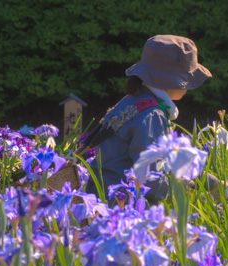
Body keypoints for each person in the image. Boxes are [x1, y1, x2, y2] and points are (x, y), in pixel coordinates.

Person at [84, 34, 220, 205]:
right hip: (120, 205)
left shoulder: (134, 101)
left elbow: (169, 160)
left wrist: (212, 183)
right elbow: (149, 176)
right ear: (171, 81)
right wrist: (188, 197)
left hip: (100, 194)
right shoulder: (151, 115)